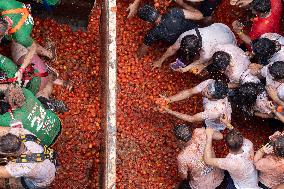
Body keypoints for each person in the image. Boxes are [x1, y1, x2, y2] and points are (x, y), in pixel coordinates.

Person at [0, 0, 56, 82]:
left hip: (25, 23)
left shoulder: (20, 36)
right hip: (19, 8)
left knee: (23, 47)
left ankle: (50, 55)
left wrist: (21, 70)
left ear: (6, 32)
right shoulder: (4, 3)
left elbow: (33, 48)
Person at [152, 23, 236, 69]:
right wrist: (160, 61)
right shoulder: (186, 35)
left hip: (229, 42)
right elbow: (173, 48)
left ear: (199, 49)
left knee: (210, 62)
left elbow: (200, 61)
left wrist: (186, 68)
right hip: (221, 27)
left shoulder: (207, 52)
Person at [160, 79, 231, 131]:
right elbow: (190, 92)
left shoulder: (214, 111)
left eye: (208, 93)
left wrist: (170, 112)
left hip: (216, 121)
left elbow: (192, 119)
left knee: (208, 129)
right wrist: (169, 100)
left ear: (215, 98)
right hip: (211, 107)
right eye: (207, 88)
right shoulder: (210, 82)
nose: (204, 90)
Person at [136, 4, 203, 58]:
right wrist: (182, 3)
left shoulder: (153, 34)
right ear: (156, 9)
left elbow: (140, 53)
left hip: (187, 50)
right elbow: (200, 16)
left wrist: (136, 55)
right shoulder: (174, 12)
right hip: (202, 34)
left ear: (148, 22)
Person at [174, 124, 224, 189]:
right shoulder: (200, 132)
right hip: (220, 178)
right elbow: (220, 136)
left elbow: (184, 177)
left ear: (180, 141)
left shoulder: (182, 157)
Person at [127, 0, 220, 23]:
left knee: (206, 19)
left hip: (203, 10)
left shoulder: (210, 3)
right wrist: (135, 3)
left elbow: (200, 16)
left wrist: (182, 4)